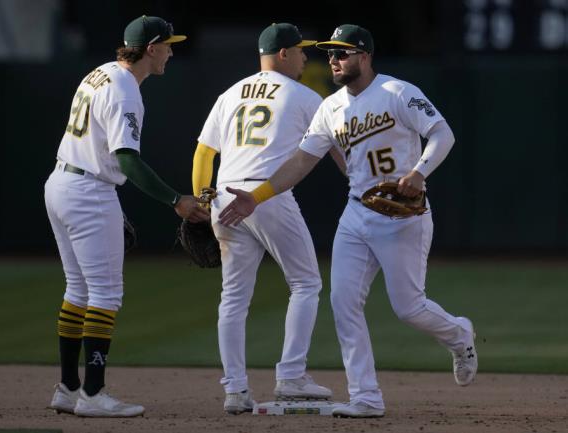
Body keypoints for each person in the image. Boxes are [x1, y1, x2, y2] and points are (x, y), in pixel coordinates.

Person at [218, 24, 478, 418]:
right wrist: (257, 196)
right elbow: (302, 161)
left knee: (408, 307)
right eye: (331, 54)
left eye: (343, 53)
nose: (335, 61)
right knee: (343, 303)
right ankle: (366, 397)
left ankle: (459, 335)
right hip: (357, 211)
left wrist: (420, 172)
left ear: (365, 56)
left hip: (402, 213)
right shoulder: (330, 107)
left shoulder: (397, 92)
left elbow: (442, 134)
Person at [45, 15, 209, 418]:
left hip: (61, 183)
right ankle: (93, 394)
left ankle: (67, 388)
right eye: (168, 44)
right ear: (151, 48)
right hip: (89, 192)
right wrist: (176, 200)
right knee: (105, 295)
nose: (172, 51)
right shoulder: (125, 90)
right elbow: (128, 161)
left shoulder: (100, 72)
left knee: (77, 290)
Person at [192, 23, 344, 414]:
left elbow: (204, 154)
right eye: (300, 51)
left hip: (224, 195)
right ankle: (291, 375)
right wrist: (358, 181)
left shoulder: (230, 94)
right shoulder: (305, 95)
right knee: (306, 282)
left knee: (233, 298)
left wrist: (203, 200)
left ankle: (235, 390)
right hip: (265, 194)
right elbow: (336, 148)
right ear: (282, 54)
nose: (305, 57)